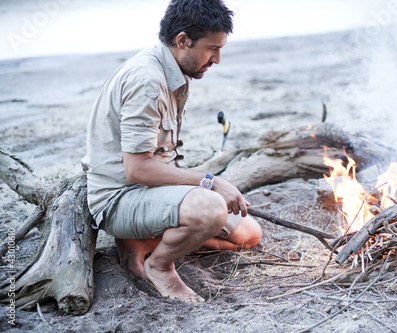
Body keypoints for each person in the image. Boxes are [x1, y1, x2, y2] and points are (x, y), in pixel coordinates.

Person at [81, 0, 262, 303]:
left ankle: (145, 243)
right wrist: (210, 182)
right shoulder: (148, 81)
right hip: (120, 198)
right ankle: (160, 264)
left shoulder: (173, 69)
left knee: (249, 233)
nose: (217, 59)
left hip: (151, 193)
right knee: (210, 207)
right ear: (182, 41)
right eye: (211, 49)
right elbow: (137, 169)